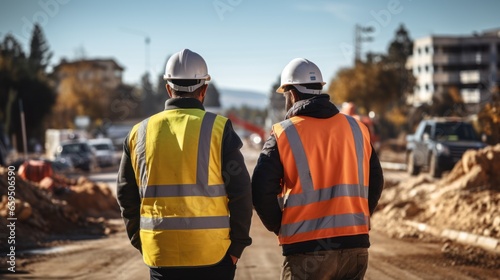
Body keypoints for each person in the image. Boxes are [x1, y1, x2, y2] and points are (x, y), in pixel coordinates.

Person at [117, 49, 253, 280]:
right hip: (213, 256)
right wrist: (236, 248)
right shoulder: (219, 130)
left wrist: (141, 241)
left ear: (168, 88)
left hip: (161, 254)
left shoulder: (139, 133)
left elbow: (125, 195)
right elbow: (241, 192)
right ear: (204, 90)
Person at [252, 58, 384, 280]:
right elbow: (376, 181)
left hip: (306, 250)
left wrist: (282, 226)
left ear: (292, 95)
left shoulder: (284, 134)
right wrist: (358, 217)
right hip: (355, 246)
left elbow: (260, 190)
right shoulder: (356, 128)